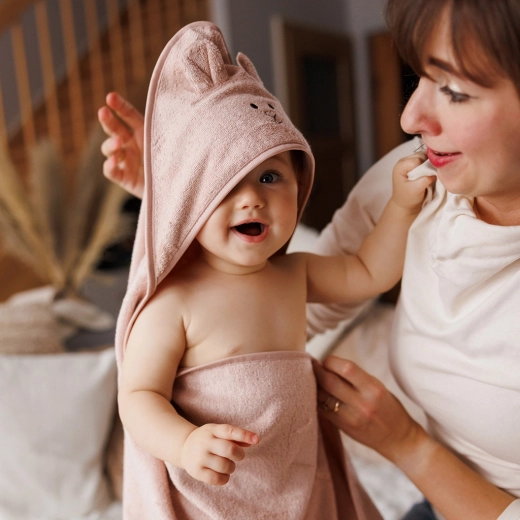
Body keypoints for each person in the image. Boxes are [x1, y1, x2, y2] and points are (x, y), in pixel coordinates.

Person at [99, 1, 520, 519]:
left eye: (269, 177)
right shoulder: (174, 304)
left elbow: (368, 272)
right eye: (222, 187)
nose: (251, 200)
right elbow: (138, 397)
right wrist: (184, 444)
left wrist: (399, 209)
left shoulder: (292, 273)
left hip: (297, 484)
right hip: (219, 495)